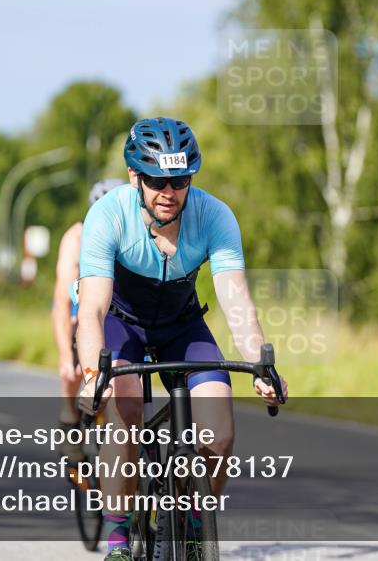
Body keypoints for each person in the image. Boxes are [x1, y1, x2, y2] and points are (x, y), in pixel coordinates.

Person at [75, 117, 289, 561]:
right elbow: (92, 309)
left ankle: (194, 525)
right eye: (156, 180)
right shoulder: (108, 215)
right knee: (126, 405)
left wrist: (260, 367)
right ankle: (117, 537)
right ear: (135, 175)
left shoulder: (214, 216)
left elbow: (237, 303)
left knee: (220, 434)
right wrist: (96, 373)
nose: (168, 193)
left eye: (180, 180)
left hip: (183, 325)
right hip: (123, 323)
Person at [52, 179, 127, 453]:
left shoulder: (131, 230)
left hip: (117, 306)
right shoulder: (76, 237)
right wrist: (64, 354)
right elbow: (62, 303)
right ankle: (68, 417)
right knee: (72, 371)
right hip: (76, 303)